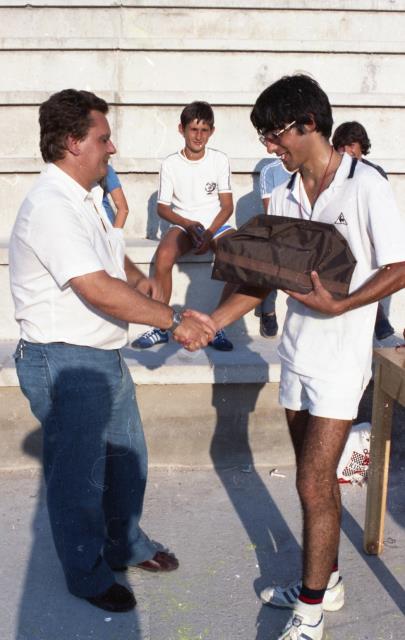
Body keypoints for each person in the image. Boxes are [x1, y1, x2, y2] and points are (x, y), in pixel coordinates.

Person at [187, 75, 405, 639]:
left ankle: (310, 613)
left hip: (340, 361)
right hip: (296, 356)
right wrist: (212, 321)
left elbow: (399, 265)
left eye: (274, 133)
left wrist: (345, 304)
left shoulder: (366, 186)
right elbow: (260, 281)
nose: (268, 146)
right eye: (264, 135)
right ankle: (324, 581)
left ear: (308, 124)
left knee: (313, 482)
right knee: (316, 484)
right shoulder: (280, 192)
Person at [9, 89, 215, 613]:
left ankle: (124, 545)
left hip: (100, 357)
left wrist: (143, 284)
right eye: (103, 138)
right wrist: (173, 320)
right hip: (65, 361)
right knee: (80, 479)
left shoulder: (86, 197)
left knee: (128, 463)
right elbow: (95, 287)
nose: (113, 148)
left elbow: (111, 264)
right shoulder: (51, 205)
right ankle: (86, 573)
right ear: (74, 142)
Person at [132, 100, 235, 351]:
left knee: (237, 257)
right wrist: (189, 224)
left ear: (212, 131)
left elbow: (227, 206)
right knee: (164, 256)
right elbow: (163, 208)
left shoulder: (219, 159)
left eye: (204, 130)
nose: (198, 136)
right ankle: (160, 325)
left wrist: (209, 232)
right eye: (193, 129)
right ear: (182, 129)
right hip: (184, 223)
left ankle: (216, 327)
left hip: (216, 225)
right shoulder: (170, 163)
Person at [332, 120, 394, 340]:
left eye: (352, 145)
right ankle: (379, 319)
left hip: (365, 243)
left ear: (361, 147)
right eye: (342, 146)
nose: (347, 151)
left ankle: (378, 317)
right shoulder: (334, 172)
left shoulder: (373, 174)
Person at [257, 158, 291, 337]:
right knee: (272, 250)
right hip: (277, 228)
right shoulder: (270, 170)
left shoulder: (309, 167)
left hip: (306, 229)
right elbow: (271, 213)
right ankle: (268, 310)